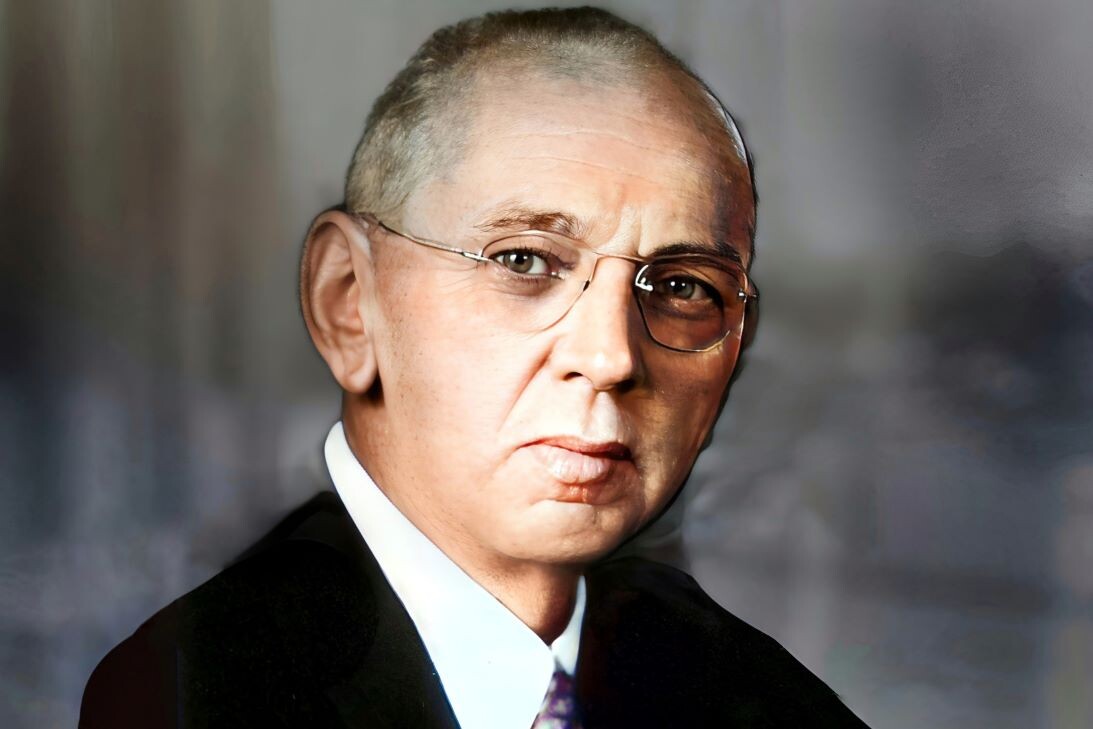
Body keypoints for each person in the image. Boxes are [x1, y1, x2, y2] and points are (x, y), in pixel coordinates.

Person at [81, 7, 867, 728]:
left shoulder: (771, 704)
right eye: (524, 260)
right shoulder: (183, 694)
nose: (609, 356)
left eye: (683, 286)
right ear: (349, 300)